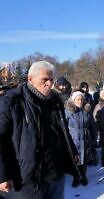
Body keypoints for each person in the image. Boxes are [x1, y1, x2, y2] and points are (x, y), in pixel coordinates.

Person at [0, 61, 80, 199]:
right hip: (27, 179)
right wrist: (2, 175)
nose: (49, 84)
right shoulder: (12, 102)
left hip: (55, 174)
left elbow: (63, 131)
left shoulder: (55, 101)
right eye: (44, 80)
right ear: (30, 79)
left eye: (51, 80)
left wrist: (72, 151)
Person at [65, 91, 94, 187]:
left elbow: (91, 124)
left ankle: (83, 176)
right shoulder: (68, 112)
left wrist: (93, 136)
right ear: (73, 100)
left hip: (85, 139)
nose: (80, 101)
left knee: (84, 159)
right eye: (78, 99)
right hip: (74, 139)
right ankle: (76, 177)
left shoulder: (86, 110)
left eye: (81, 99)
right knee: (75, 160)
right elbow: (64, 127)